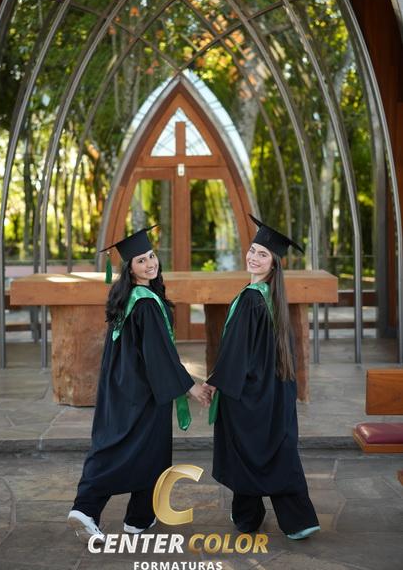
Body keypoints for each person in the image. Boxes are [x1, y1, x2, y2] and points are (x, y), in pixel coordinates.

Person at [68, 226, 210, 543]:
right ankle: (90, 509)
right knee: (139, 450)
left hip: (121, 387)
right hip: (144, 391)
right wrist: (191, 387)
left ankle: (138, 517)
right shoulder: (145, 304)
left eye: (151, 256)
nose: (149, 264)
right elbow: (158, 355)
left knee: (128, 446)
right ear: (129, 268)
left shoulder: (128, 297)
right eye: (141, 260)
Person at [205, 215, 320, 540]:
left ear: (274, 264)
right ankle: (282, 519)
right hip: (273, 391)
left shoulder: (251, 299)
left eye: (263, 254)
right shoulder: (271, 296)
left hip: (249, 391)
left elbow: (237, 352)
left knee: (245, 448)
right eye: (253, 250)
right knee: (274, 448)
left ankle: (250, 517)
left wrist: (215, 382)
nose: (254, 257)